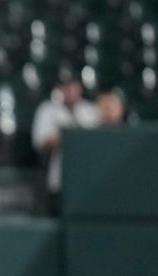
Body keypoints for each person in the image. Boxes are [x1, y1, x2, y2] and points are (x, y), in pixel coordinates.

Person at [31, 69, 100, 214]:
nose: (68, 90)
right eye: (64, 86)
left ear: (79, 87)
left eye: (71, 86)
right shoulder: (47, 110)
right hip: (58, 178)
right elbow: (40, 142)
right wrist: (72, 137)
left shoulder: (90, 110)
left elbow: (98, 140)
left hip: (88, 178)